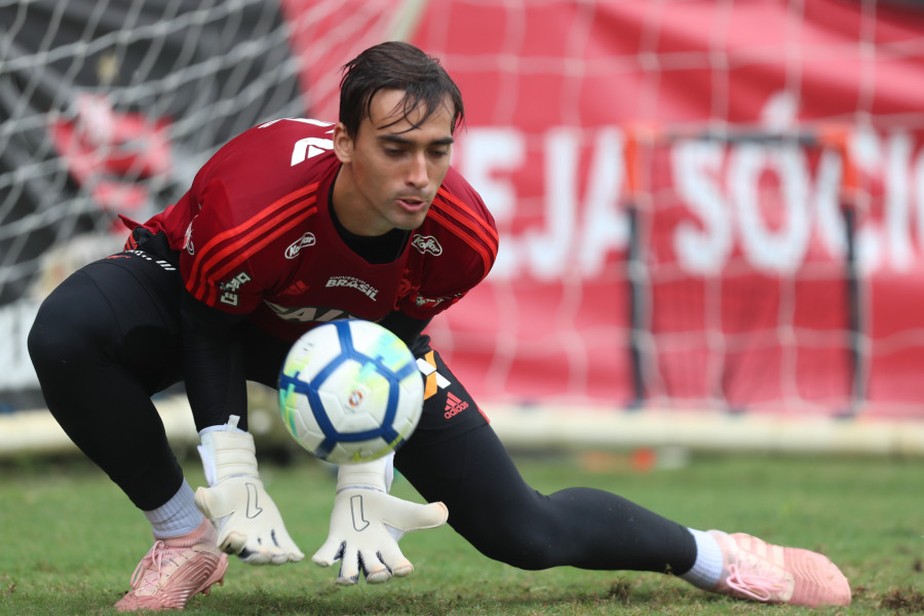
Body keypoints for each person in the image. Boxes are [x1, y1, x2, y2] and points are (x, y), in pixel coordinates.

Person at [28, 41, 851, 612]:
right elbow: (209, 331)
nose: (419, 175)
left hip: (343, 334)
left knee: (523, 530)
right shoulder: (253, 206)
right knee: (66, 334)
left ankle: (718, 556)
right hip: (200, 299)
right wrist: (233, 472)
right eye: (395, 149)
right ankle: (183, 541)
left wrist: (364, 475)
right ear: (344, 140)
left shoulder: (465, 237)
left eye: (437, 149)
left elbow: (389, 346)